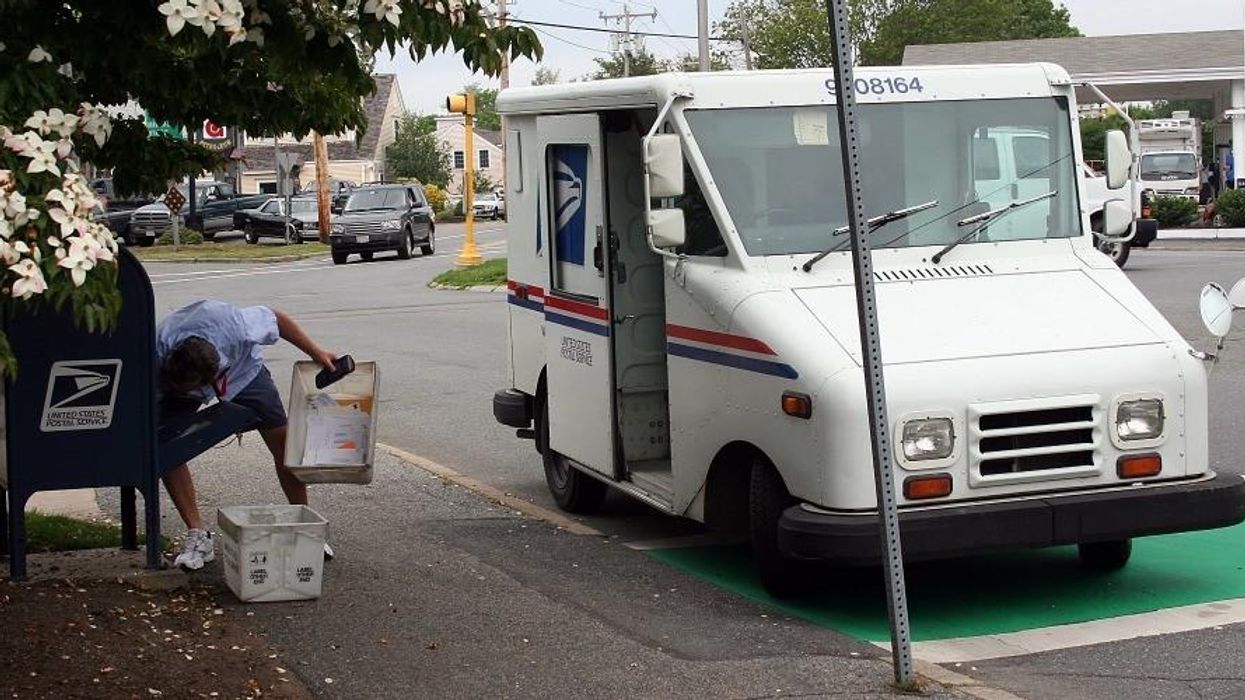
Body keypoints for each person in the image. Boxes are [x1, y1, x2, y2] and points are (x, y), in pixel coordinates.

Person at [157, 300, 337, 570]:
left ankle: (304, 525)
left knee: (284, 443)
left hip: (243, 372)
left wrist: (316, 352)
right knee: (167, 446)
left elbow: (277, 319)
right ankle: (198, 535)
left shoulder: (233, 326)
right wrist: (174, 394)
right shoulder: (156, 351)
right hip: (172, 384)